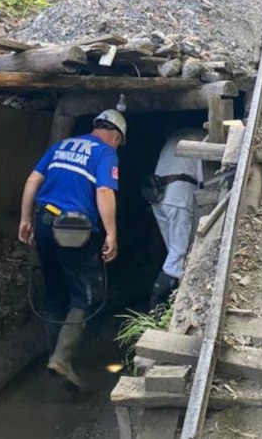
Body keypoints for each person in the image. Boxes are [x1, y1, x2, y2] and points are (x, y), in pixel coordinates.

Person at [18, 109, 125, 393]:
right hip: (73, 231)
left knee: (54, 289)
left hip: (43, 221)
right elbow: (104, 191)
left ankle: (54, 356)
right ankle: (62, 359)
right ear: (115, 137)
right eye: (119, 143)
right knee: (87, 294)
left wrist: (26, 219)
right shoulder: (105, 153)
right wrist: (112, 232)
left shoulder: (61, 146)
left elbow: (32, 181)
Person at [148, 128, 204, 311]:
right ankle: (159, 306)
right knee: (178, 255)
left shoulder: (172, 138)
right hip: (178, 197)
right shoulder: (201, 140)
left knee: (173, 251)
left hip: (157, 196)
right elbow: (203, 178)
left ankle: (166, 304)